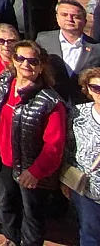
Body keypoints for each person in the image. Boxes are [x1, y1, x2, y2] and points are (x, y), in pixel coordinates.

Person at [0, 39, 66, 246]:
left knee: (32, 214)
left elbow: (54, 146)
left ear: (41, 66)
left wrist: (36, 171)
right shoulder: (3, 81)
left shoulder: (51, 102)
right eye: (20, 58)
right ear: (13, 60)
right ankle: (10, 239)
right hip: (1, 157)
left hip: (31, 167)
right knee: (7, 203)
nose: (25, 64)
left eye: (32, 61)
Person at [37, 0, 100, 105]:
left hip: (83, 105)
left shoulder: (97, 48)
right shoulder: (43, 40)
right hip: (50, 104)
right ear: (57, 18)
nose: (69, 19)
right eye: (64, 15)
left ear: (85, 21)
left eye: (75, 16)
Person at [66, 66, 100, 246]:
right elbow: (69, 148)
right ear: (87, 89)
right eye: (95, 88)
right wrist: (66, 180)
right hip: (86, 189)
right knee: (89, 235)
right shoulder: (78, 113)